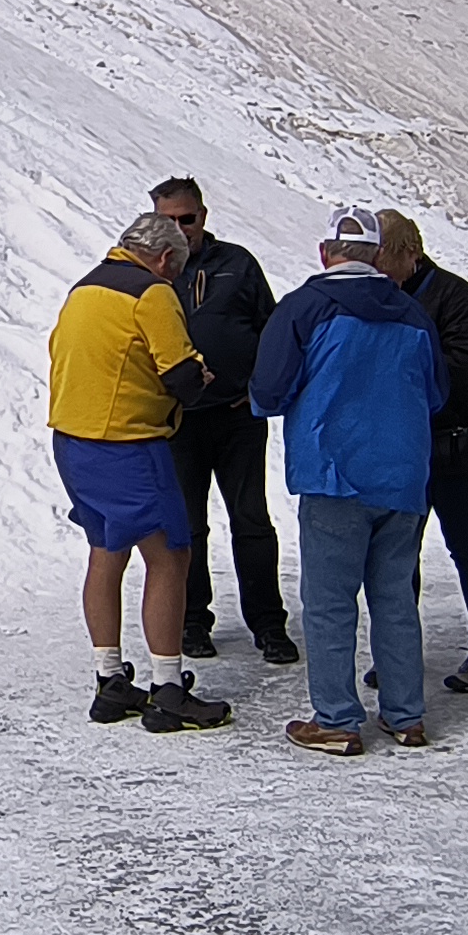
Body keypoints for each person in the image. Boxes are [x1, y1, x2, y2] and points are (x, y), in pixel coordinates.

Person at [254, 211, 449, 755]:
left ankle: (337, 719)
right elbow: (436, 392)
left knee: (329, 600)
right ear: (377, 255)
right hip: (404, 474)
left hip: (332, 472)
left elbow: (269, 391)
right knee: (394, 595)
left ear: (325, 252)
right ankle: (406, 715)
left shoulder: (304, 308)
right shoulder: (412, 311)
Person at [47, 209, 233, 733]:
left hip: (74, 440)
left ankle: (110, 682)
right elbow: (178, 373)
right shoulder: (151, 293)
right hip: (127, 442)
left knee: (107, 551)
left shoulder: (85, 289)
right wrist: (201, 376)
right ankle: (168, 690)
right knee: (170, 556)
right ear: (165, 257)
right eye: (177, 266)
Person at [149, 178, 293, 666]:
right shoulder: (152, 271)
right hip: (179, 422)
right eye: (166, 220)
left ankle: (269, 625)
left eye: (185, 219)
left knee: (251, 521)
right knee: (187, 527)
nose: (178, 229)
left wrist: (258, 388)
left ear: (203, 216)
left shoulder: (237, 263)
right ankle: (192, 621)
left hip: (237, 416)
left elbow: (269, 327)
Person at [375, 211, 468, 693]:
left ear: (410, 252)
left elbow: (457, 369)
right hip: (405, 441)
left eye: (383, 257)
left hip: (458, 439)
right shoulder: (382, 293)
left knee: (466, 544)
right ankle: (399, 649)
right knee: (399, 550)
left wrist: (391, 376)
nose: (376, 268)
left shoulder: (456, 297)